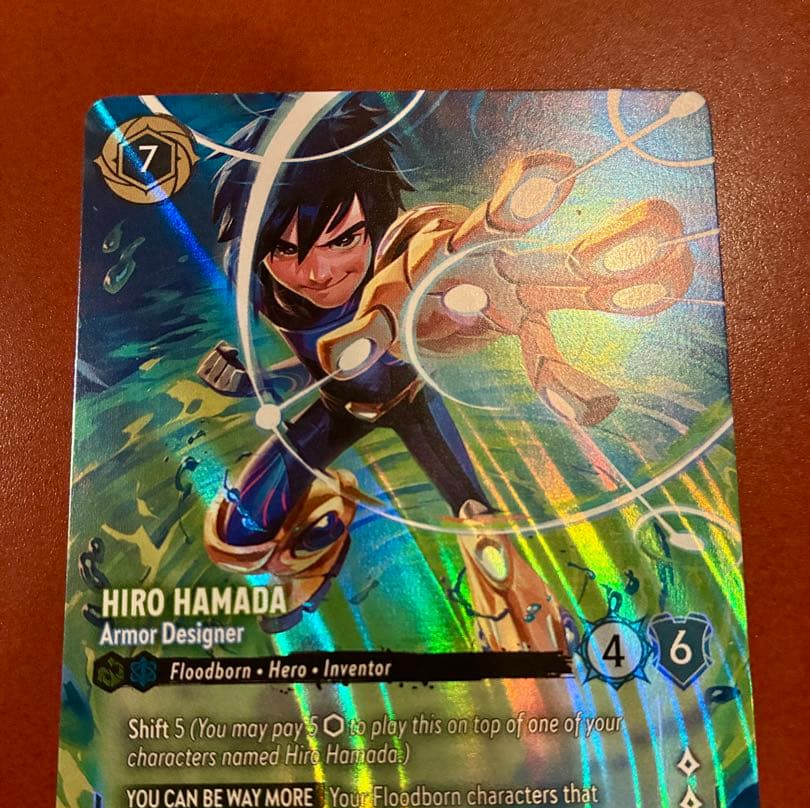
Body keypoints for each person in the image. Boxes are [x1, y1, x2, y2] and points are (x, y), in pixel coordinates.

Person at [200, 95, 693, 648]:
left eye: (343, 240)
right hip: (339, 410)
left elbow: (428, 255)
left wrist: (470, 266)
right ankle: (325, 529)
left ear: (373, 224)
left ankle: (530, 625)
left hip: (414, 404)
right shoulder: (273, 296)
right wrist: (254, 380)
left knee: (480, 524)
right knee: (236, 536)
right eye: (285, 249)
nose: (317, 271)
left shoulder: (396, 266)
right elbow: (322, 369)